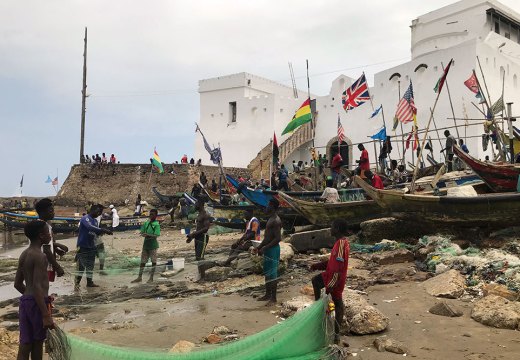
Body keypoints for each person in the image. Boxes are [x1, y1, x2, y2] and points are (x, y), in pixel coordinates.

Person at [14, 221, 55, 360]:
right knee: (37, 343)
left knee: (25, 343)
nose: (50, 235)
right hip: (37, 304)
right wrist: (45, 313)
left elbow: (17, 284)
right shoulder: (40, 256)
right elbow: (38, 286)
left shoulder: (24, 254)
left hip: (26, 302)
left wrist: (29, 298)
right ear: (41, 236)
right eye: (47, 232)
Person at [310, 218, 350, 344]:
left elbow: (338, 267)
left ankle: (336, 334)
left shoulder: (342, 244)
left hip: (335, 279)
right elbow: (331, 263)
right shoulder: (338, 243)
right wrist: (316, 265)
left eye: (332, 226)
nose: (330, 229)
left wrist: (331, 285)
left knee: (338, 303)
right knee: (315, 281)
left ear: (337, 229)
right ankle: (320, 311)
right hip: (329, 275)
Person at [75, 204, 112, 289]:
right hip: (83, 246)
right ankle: (77, 284)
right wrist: (102, 230)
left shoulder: (95, 221)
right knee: (81, 266)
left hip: (92, 246)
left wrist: (103, 232)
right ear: (93, 210)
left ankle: (89, 282)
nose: (99, 214)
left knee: (90, 265)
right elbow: (89, 227)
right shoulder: (85, 218)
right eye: (98, 212)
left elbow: (96, 233)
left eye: (100, 212)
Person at [254, 198, 282, 305]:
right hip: (268, 248)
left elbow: (278, 238)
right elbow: (267, 237)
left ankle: (273, 298)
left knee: (273, 274)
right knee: (267, 272)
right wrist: (260, 247)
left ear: (272, 207)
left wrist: (265, 247)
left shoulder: (276, 220)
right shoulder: (270, 219)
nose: (266, 207)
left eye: (268, 205)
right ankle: (267, 294)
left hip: (273, 249)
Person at [35, 199, 68, 283]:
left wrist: (56, 250)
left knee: (44, 285)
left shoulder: (46, 225)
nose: (53, 213)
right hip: (42, 263)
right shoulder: (41, 227)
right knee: (42, 285)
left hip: (46, 262)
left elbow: (47, 244)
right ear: (42, 212)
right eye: (51, 211)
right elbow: (46, 249)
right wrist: (57, 267)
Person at [132, 209, 160, 283]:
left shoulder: (157, 224)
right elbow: (142, 231)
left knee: (153, 262)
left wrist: (147, 235)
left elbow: (156, 235)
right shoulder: (146, 223)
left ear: (156, 216)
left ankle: (151, 278)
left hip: (153, 245)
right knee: (142, 262)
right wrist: (143, 234)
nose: (151, 216)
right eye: (150, 214)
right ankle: (139, 277)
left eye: (153, 214)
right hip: (146, 245)